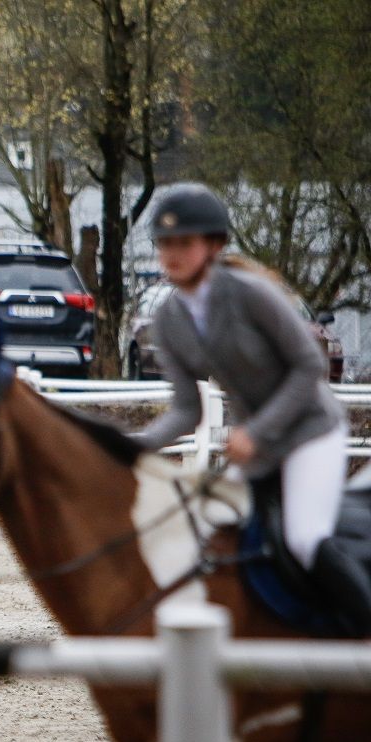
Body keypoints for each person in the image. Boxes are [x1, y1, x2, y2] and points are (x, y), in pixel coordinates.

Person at [132, 182, 371, 635]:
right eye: (164, 245)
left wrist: (257, 433)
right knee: (210, 533)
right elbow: (186, 410)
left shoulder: (249, 294)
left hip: (309, 433)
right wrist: (131, 447)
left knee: (304, 539)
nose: (172, 254)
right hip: (258, 448)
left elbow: (308, 367)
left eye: (184, 243)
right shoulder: (169, 319)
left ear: (214, 245)